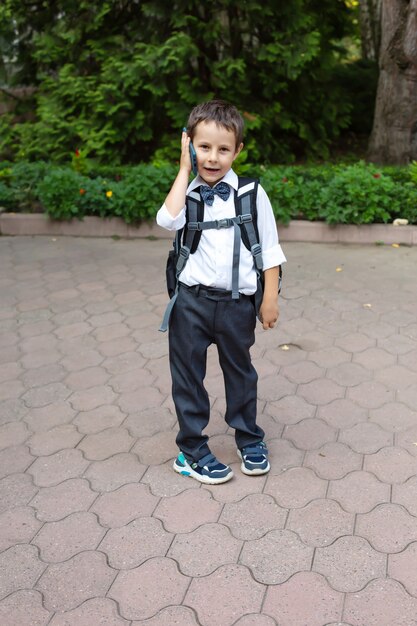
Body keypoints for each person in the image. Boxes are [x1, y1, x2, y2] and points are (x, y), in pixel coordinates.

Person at [156, 100, 286, 485]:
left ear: (238, 151)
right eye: (204, 147)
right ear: (190, 145)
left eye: (223, 149)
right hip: (191, 304)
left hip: (235, 305)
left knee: (241, 372)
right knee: (188, 377)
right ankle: (192, 450)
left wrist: (270, 298)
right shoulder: (186, 194)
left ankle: (249, 438)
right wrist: (184, 170)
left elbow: (272, 250)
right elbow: (167, 220)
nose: (213, 157)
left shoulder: (251, 193)